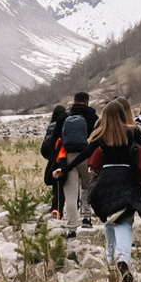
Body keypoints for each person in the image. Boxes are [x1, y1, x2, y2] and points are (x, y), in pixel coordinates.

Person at [77, 98, 141, 282]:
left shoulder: (101, 131)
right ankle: (123, 259)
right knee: (125, 221)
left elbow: (87, 154)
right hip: (127, 179)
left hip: (105, 181)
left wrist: (63, 169)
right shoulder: (132, 131)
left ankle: (110, 257)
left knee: (110, 219)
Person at [56, 92, 96, 234]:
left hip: (67, 157)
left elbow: (56, 139)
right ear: (87, 102)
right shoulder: (93, 116)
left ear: (74, 101)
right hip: (87, 155)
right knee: (87, 187)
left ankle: (71, 228)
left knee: (71, 194)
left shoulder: (64, 117)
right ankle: (86, 218)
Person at [38, 104, 69, 214]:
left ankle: (55, 207)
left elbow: (46, 145)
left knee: (56, 184)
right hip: (65, 155)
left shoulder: (51, 126)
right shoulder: (67, 124)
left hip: (54, 156)